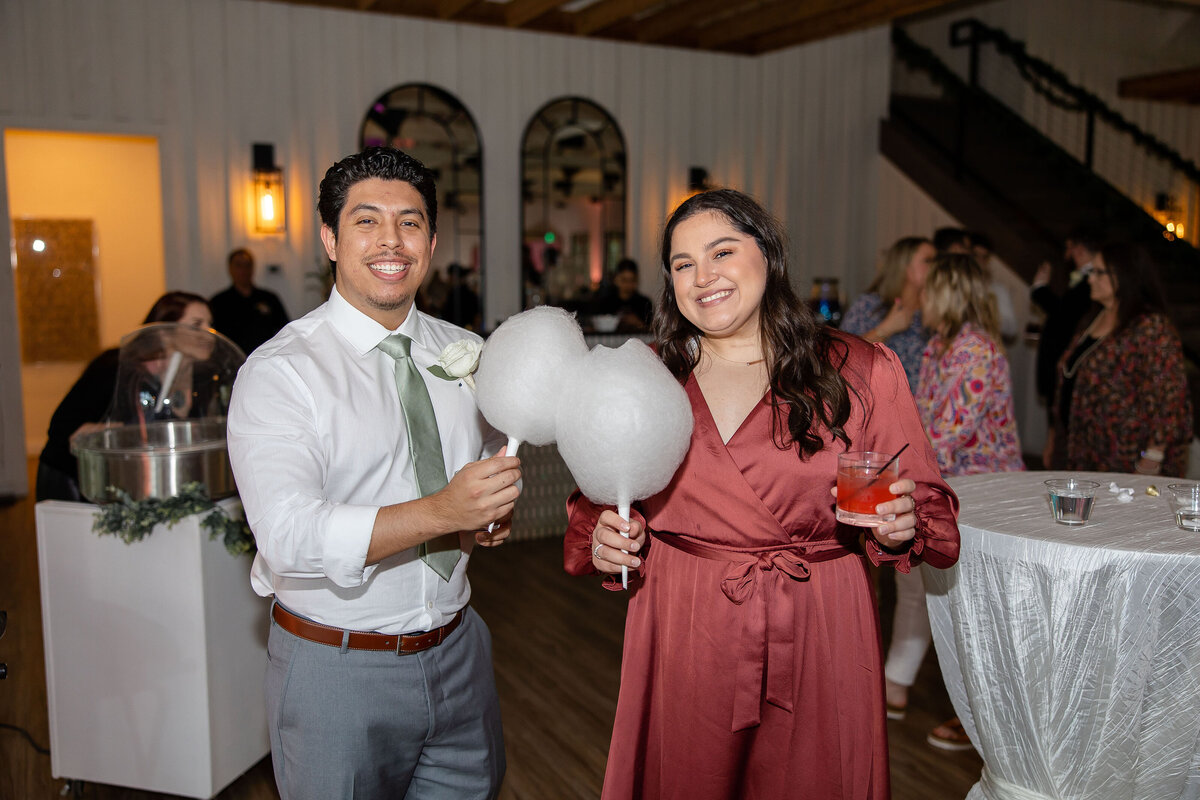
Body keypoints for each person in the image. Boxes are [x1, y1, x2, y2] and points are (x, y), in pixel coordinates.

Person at [563, 189, 960, 799]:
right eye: (683, 264)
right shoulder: (649, 377)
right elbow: (600, 502)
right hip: (686, 619)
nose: (704, 277)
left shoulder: (857, 370)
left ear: (768, 256)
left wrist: (901, 524)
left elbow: (929, 505)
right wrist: (606, 540)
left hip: (821, 617)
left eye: (722, 251)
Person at [226, 147, 521, 800]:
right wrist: (446, 511)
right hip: (338, 668)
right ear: (330, 238)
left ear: (432, 240)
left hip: (460, 650)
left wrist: (486, 518)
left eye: (410, 222)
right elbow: (287, 536)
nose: (392, 239)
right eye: (366, 221)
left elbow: (483, 469)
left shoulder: (460, 350)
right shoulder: (282, 372)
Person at [882, 254, 1025, 752]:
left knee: (973, 607)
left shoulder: (978, 351)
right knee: (920, 591)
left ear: (946, 293)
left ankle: (979, 714)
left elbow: (945, 435)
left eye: (928, 290)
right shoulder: (940, 347)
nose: (919, 299)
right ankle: (894, 685)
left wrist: (883, 468)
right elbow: (921, 421)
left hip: (983, 496)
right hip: (941, 488)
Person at [36, 291, 213, 502]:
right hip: (79, 482)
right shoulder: (116, 368)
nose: (208, 333)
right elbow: (60, 426)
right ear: (164, 331)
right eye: (196, 324)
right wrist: (112, 433)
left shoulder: (204, 381)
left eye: (210, 324)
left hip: (142, 488)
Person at [1049, 241, 1192, 476]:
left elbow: (1170, 398)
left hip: (1124, 459)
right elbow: (1069, 374)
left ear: (1125, 276)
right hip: (1081, 451)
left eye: (1098, 272)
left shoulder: (1150, 326)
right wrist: (1054, 436)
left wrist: (1152, 457)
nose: (1090, 278)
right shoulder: (1094, 317)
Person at [1031, 226, 1099, 461]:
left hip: (1070, 365)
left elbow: (1062, 314)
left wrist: (1040, 288)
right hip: (1063, 364)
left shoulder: (1090, 283)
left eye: (1069, 247)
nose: (1066, 254)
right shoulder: (1084, 282)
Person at [841, 236, 936, 390]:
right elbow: (843, 355)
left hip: (922, 406)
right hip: (878, 400)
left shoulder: (935, 311)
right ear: (904, 266)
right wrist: (886, 329)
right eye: (928, 260)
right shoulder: (870, 305)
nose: (935, 266)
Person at [209, 247, 289, 354]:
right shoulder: (219, 302)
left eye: (247, 265)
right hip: (232, 362)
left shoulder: (269, 298)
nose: (244, 270)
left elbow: (284, 330)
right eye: (238, 265)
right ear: (230, 269)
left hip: (264, 358)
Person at [590, 258, 654, 332]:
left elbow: (653, 331)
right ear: (616, 279)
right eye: (624, 280)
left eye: (632, 280)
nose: (628, 284)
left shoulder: (644, 303)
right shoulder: (605, 302)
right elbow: (595, 328)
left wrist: (638, 323)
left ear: (636, 280)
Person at [441, 262, 482, 331]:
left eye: (450, 276)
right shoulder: (470, 293)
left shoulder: (454, 294)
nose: (448, 279)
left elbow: (446, 314)